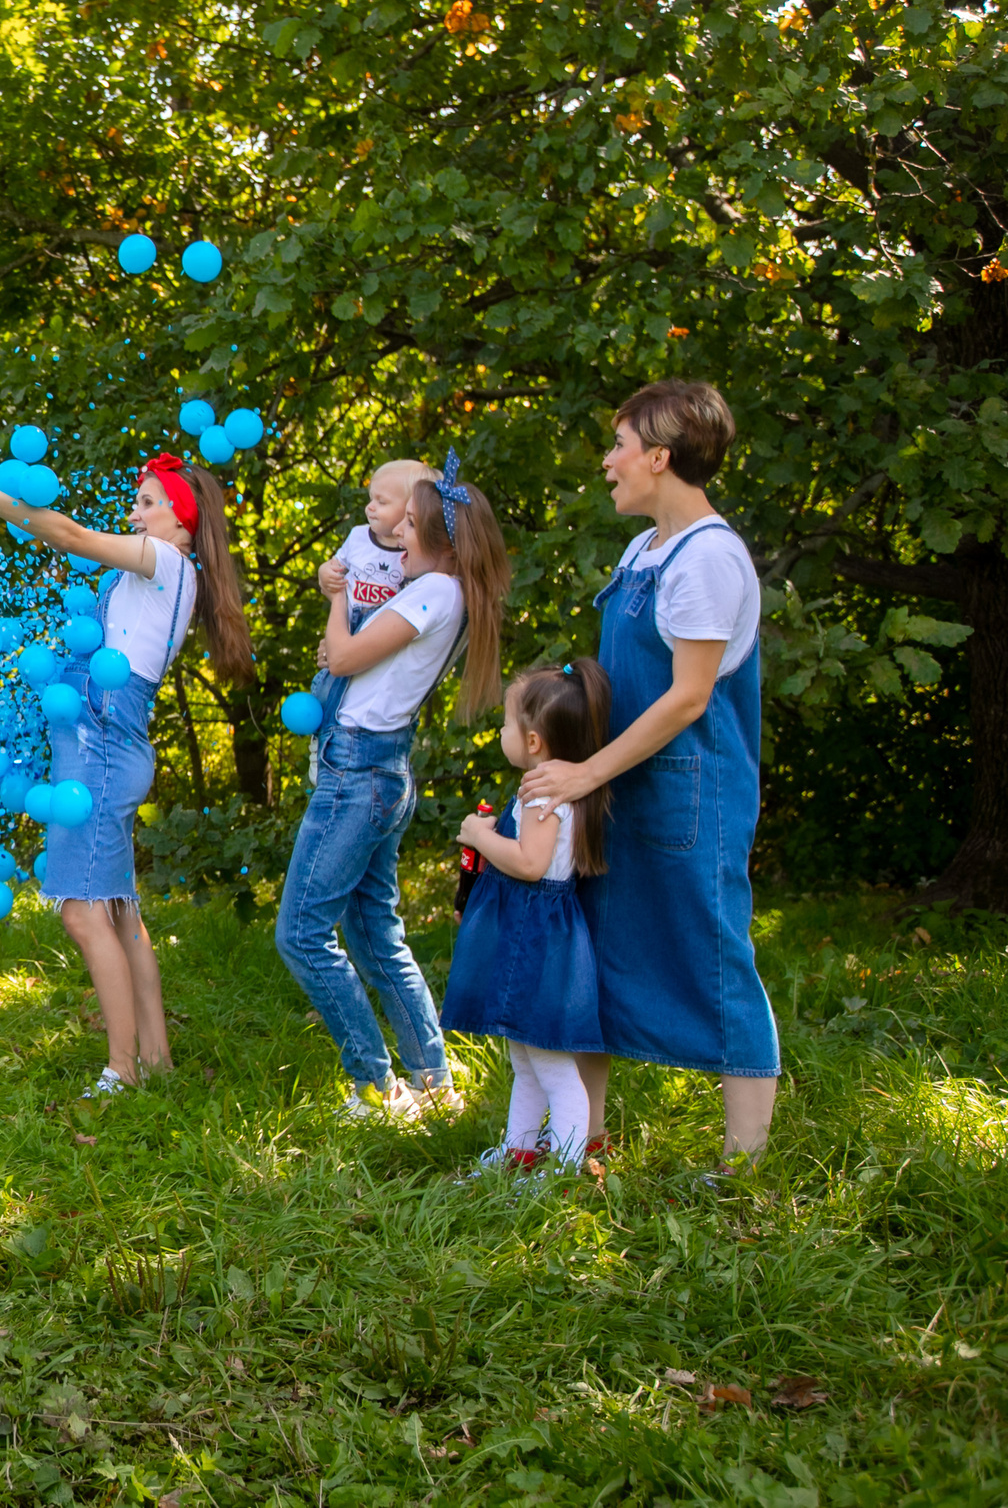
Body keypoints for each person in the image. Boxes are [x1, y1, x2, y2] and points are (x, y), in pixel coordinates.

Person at [0, 453, 255, 1094]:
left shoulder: (167, 561)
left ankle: (123, 1070)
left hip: (103, 748)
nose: (134, 513)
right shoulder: (162, 571)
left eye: (148, 503)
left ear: (182, 521)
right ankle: (155, 1059)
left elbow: (74, 537)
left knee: (82, 913)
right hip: (107, 743)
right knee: (119, 911)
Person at [519, 381, 778, 1167]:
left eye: (620, 444)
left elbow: (689, 696)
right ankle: (581, 1141)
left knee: (714, 956)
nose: (608, 461)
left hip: (688, 793)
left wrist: (584, 772)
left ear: (659, 457)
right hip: (620, 788)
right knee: (598, 955)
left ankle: (744, 1166)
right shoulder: (645, 550)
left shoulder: (709, 559)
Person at [275, 451, 507, 1121]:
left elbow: (344, 655)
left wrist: (335, 603)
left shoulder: (435, 591)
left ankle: (378, 1086)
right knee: (375, 932)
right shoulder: (440, 590)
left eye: (408, 526)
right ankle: (432, 1081)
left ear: (439, 538)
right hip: (375, 768)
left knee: (301, 933)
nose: (395, 535)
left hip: (359, 775)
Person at [444, 660, 613, 1171]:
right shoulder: (550, 789)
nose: (500, 732)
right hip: (531, 931)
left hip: (535, 937)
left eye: (506, 724)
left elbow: (531, 865)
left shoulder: (543, 796)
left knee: (551, 1063)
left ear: (534, 741)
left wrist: (480, 837)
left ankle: (563, 1167)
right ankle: (519, 1150)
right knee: (524, 1057)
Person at [309, 459, 439, 738]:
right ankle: (319, 741)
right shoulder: (358, 537)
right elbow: (332, 568)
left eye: (381, 502)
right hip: (346, 625)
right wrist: (324, 574)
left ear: (408, 509)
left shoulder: (411, 559)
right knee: (326, 686)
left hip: (376, 636)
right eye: (371, 499)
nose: (370, 507)